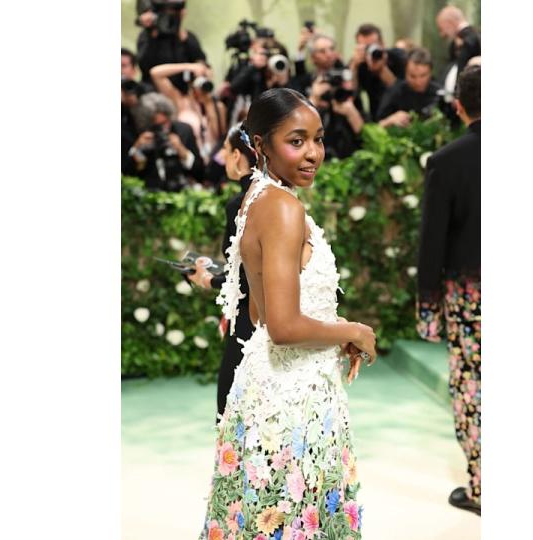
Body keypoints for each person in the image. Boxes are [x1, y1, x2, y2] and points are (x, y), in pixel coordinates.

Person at [199, 88, 376, 540]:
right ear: (260, 145)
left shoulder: (257, 199)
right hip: (292, 405)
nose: (313, 153)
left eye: (317, 139)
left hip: (271, 389)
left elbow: (260, 311)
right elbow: (281, 326)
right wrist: (351, 330)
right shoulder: (283, 208)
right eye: (296, 141)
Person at [415, 66, 481, 515]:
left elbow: (431, 242)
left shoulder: (447, 161)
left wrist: (427, 308)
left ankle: (483, 487)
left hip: (470, 295)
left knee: (474, 387)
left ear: (458, 107)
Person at [187, 124, 258, 417]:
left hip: (247, 317)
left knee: (230, 407)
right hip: (275, 316)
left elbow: (243, 276)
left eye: (226, 152)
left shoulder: (239, 205)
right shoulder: (282, 198)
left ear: (239, 156)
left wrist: (208, 279)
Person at [149, 61, 227, 164]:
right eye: (202, 77)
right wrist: (189, 67)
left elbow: (219, 137)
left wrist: (208, 104)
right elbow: (155, 73)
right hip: (189, 161)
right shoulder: (179, 100)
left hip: (212, 164)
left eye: (207, 78)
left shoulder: (218, 106)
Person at [128, 92, 204, 190]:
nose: (164, 129)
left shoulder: (183, 131)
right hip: (150, 192)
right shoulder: (142, 135)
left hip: (182, 190)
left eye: (166, 122)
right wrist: (137, 150)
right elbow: (129, 174)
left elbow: (200, 172)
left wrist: (183, 152)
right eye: (158, 126)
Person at [134, 0, 207, 92]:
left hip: (181, 91)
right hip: (154, 92)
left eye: (174, 10)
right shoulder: (147, 36)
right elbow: (144, 66)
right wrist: (151, 34)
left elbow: (200, 62)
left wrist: (180, 31)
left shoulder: (186, 36)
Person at [349, 23, 406, 122]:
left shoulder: (397, 58)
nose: (370, 51)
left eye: (373, 46)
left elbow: (402, 93)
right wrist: (354, 66)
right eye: (365, 48)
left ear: (382, 44)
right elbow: (350, 95)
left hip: (401, 116)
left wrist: (382, 69)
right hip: (377, 119)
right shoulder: (360, 64)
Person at [376, 47, 443, 128]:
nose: (418, 82)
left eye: (423, 76)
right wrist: (390, 120)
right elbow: (377, 125)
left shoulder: (440, 94)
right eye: (412, 76)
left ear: (430, 72)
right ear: (405, 73)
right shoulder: (395, 92)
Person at [436, 5, 481, 95]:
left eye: (441, 29)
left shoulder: (470, 40)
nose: (442, 34)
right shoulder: (462, 41)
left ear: (449, 23)